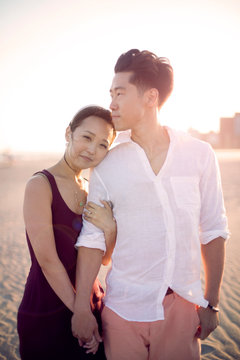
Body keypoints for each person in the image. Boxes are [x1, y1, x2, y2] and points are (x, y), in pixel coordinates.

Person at [71, 50, 229, 360]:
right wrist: (81, 310)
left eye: (120, 93)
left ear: (150, 97)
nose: (111, 103)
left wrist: (212, 303)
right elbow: (91, 239)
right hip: (121, 311)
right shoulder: (106, 162)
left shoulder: (199, 154)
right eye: (110, 94)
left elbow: (213, 230)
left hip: (183, 308)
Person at [17, 105, 117, 360]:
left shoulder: (92, 189)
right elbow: (48, 261)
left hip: (91, 305)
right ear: (68, 133)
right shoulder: (40, 184)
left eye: (103, 144)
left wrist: (110, 227)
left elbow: (105, 259)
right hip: (46, 309)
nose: (93, 149)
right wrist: (80, 313)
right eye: (87, 137)